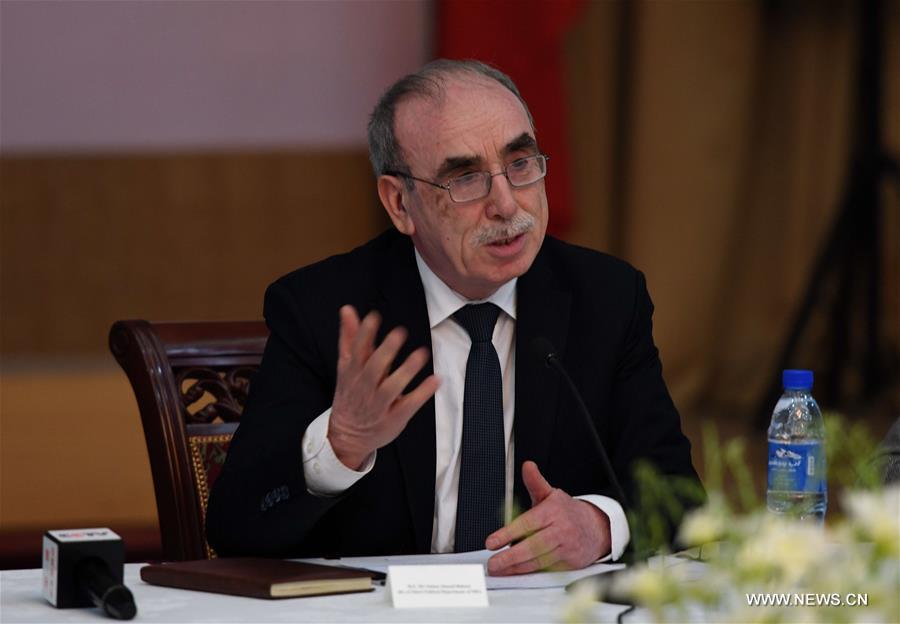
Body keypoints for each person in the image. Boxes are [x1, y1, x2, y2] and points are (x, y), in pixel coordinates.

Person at [206, 59, 702, 575]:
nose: (506, 204)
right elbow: (234, 527)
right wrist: (340, 446)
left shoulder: (606, 298)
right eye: (465, 178)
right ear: (400, 204)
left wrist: (598, 526)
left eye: (521, 163)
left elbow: (679, 497)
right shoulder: (322, 309)